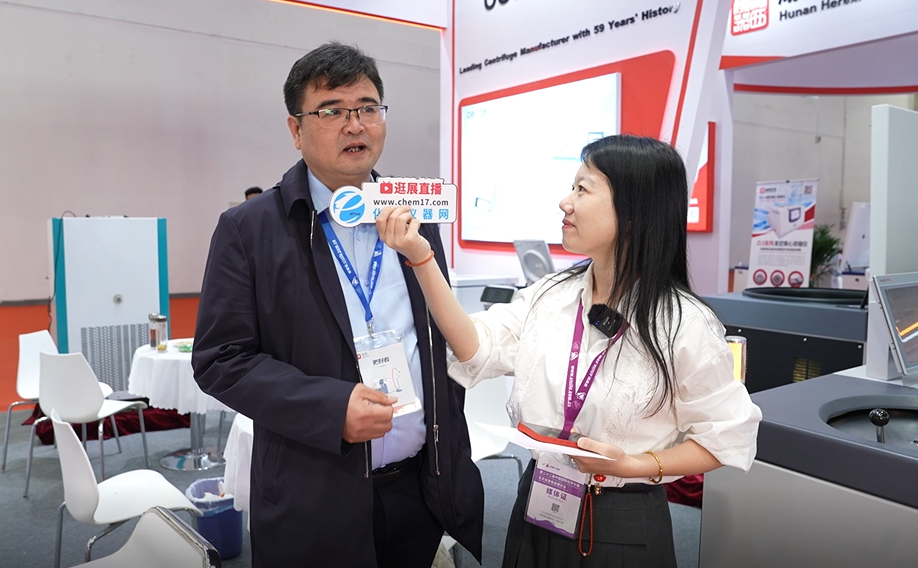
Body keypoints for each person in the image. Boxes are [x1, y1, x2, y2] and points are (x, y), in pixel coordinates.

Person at [376, 135, 762, 568]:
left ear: (634, 212)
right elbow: (475, 347)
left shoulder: (683, 323)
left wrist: (633, 464)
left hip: (623, 521)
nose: (565, 202)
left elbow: (727, 436)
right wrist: (422, 258)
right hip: (537, 504)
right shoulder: (551, 295)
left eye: (583, 189)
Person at [192, 42, 484, 568]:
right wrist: (329, 408)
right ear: (295, 129)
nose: (355, 125)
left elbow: (437, 340)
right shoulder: (251, 229)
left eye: (368, 108)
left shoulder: (416, 217)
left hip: (418, 488)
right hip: (314, 493)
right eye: (331, 111)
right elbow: (220, 360)